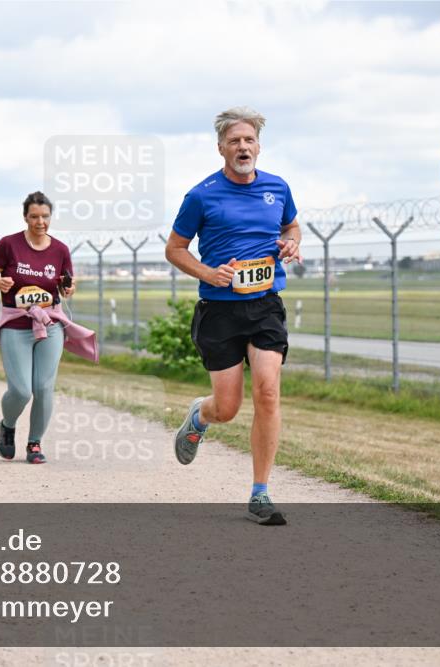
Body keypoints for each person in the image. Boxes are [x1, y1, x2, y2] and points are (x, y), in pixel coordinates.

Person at [165, 106, 302, 526]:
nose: (242, 147)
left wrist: (290, 243)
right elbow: (175, 248)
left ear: (258, 146)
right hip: (219, 309)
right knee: (228, 407)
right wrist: (209, 272)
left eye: (249, 140)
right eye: (234, 141)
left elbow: (292, 227)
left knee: (268, 391)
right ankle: (200, 416)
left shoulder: (277, 188)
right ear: (221, 147)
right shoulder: (201, 195)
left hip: (264, 305)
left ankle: (260, 492)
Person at [0, 191, 97, 464]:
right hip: (16, 325)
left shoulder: (60, 249)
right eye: (34, 217)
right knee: (21, 390)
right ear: (25, 217)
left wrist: (68, 287)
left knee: (44, 386)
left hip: (50, 324)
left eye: (45, 217)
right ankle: (7, 425)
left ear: (51, 217)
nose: (40, 222)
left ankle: (35, 443)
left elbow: (66, 283)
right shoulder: (9, 245)